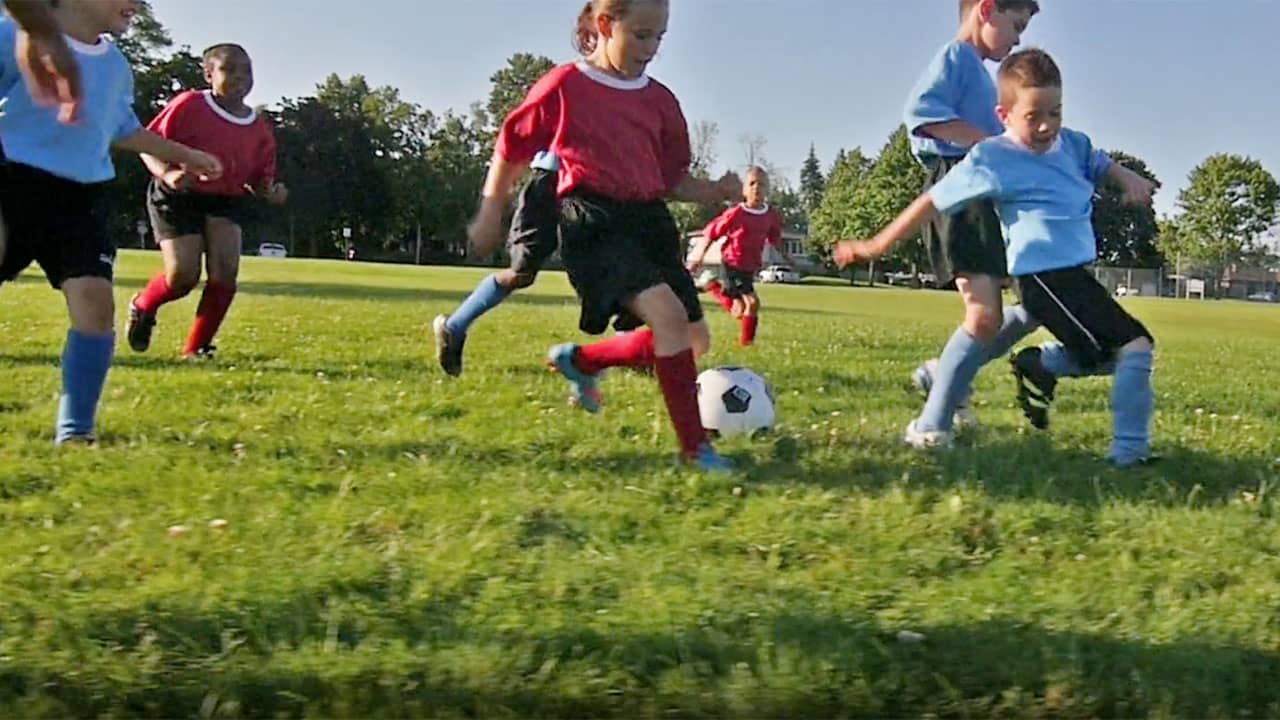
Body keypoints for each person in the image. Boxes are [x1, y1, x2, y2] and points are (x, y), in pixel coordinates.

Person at [836, 48, 1158, 467]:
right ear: (1003, 115)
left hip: (1069, 273)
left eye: (1055, 112)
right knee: (1133, 347)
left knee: (1073, 340)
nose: (1046, 126)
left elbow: (1098, 162)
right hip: (1044, 275)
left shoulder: (1072, 143)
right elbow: (932, 201)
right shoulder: (993, 157)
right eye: (1033, 116)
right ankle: (1128, 455)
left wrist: (1127, 177)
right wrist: (875, 246)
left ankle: (979, 368)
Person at [466, 0, 741, 471]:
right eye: (641, 35)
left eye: (660, 37)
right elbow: (511, 148)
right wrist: (491, 210)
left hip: (648, 223)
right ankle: (696, 450)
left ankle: (583, 361)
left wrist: (715, 189)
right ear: (604, 24)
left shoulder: (661, 101)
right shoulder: (566, 86)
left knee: (693, 340)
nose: (651, 48)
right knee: (669, 318)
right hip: (593, 221)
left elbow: (670, 179)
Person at [0, 0, 223, 444]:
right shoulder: (13, 35)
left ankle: (76, 432)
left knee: (96, 306)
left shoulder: (116, 66)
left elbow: (123, 128)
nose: (139, 3)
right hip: (10, 183)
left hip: (78, 201)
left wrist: (187, 155)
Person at [899, 0, 1041, 443]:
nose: (1019, 39)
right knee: (983, 317)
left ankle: (946, 374)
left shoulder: (981, 73)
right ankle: (929, 427)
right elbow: (923, 116)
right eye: (1016, 26)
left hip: (985, 200)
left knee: (1031, 309)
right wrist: (992, 145)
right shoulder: (955, 57)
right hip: (957, 192)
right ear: (987, 10)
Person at [127, 43, 286, 360]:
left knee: (225, 273)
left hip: (225, 201)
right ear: (209, 74)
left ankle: (197, 349)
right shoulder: (189, 105)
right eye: (231, 70)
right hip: (178, 196)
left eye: (248, 71)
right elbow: (148, 145)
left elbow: (259, 182)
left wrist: (272, 192)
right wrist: (168, 174)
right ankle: (144, 306)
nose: (241, 78)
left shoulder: (259, 128)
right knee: (183, 277)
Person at [687, 166, 789, 347]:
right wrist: (698, 257)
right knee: (752, 302)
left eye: (762, 184)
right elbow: (711, 233)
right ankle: (747, 345)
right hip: (732, 264)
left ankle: (714, 287)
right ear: (744, 190)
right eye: (752, 183)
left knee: (740, 311)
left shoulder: (770, 215)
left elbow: (775, 238)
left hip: (750, 268)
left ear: (767, 190)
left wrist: (786, 256)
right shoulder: (736, 214)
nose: (757, 188)